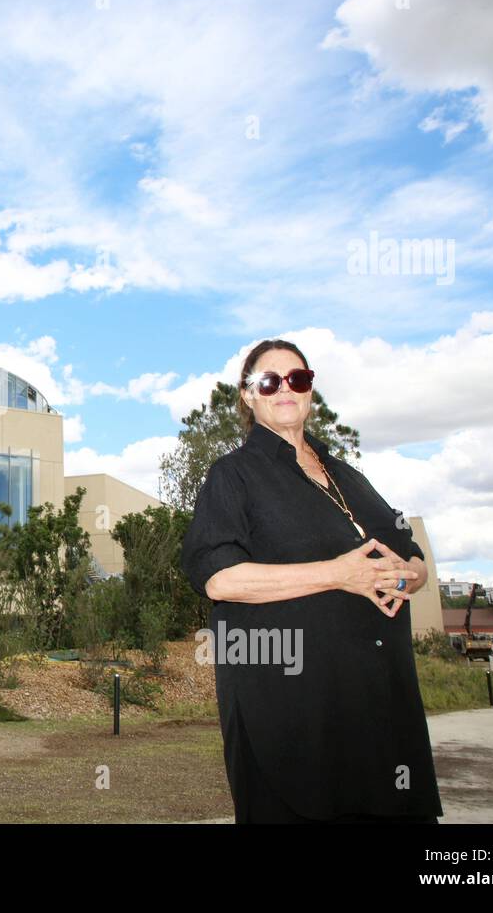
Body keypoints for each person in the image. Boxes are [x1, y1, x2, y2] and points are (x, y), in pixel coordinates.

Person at [180, 338, 443, 824]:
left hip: (383, 715)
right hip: (292, 720)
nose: (285, 388)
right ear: (247, 395)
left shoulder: (350, 477)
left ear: (309, 391)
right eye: (269, 381)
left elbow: (413, 558)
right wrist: (339, 574)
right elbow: (219, 579)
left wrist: (408, 578)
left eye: (297, 379)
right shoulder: (233, 476)